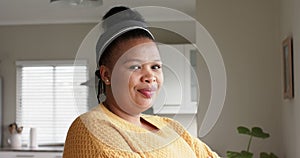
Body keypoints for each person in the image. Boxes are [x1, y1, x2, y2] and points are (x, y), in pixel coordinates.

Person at [63, 6, 219, 158]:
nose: (150, 76)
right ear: (106, 75)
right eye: (135, 66)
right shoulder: (91, 128)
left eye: (155, 66)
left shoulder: (170, 126)